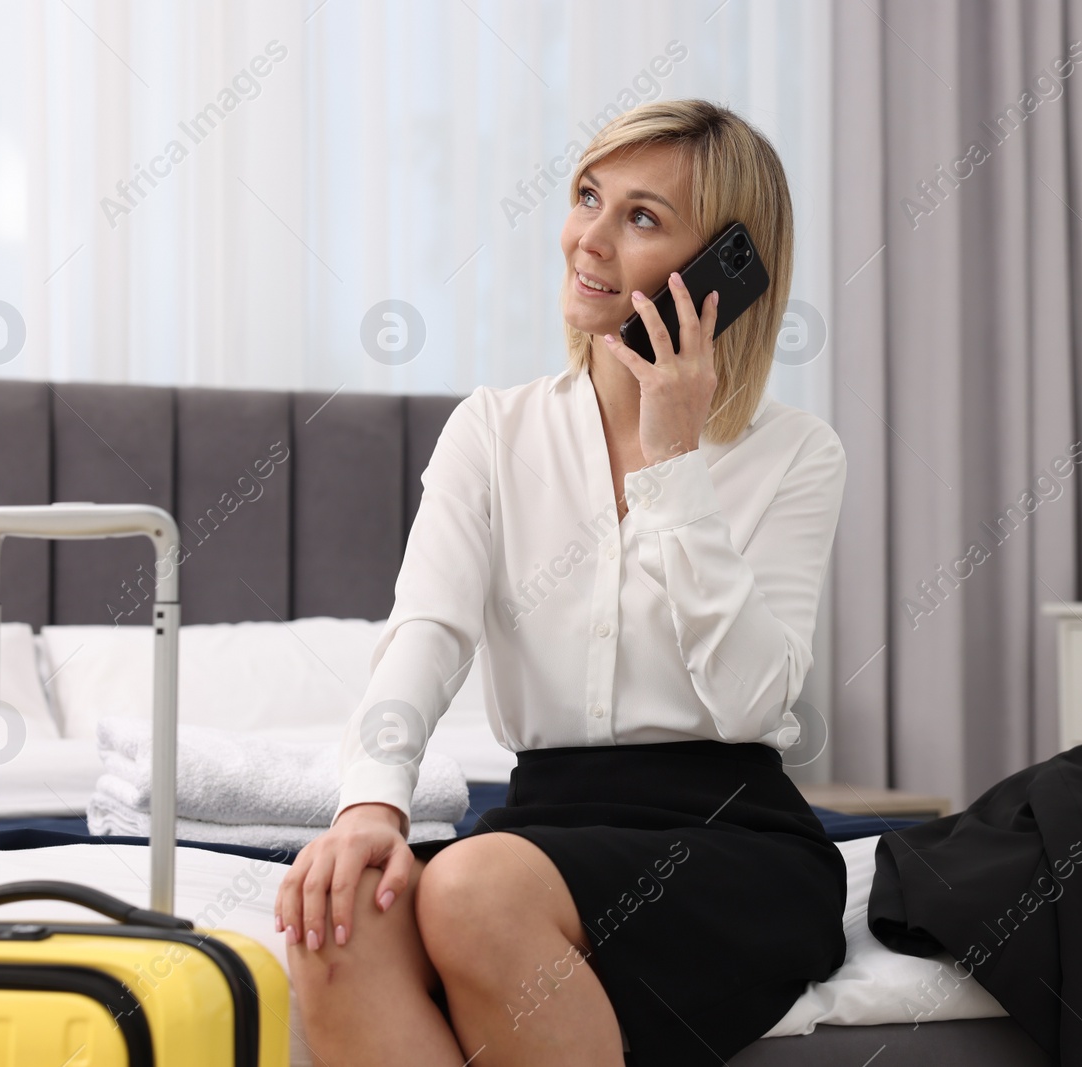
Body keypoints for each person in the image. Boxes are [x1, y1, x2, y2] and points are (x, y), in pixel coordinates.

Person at [275, 98, 848, 1067]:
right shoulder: (493, 431)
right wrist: (369, 803)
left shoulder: (797, 454)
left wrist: (675, 467)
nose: (587, 238)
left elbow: (756, 697)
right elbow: (425, 633)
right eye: (589, 196)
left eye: (641, 217)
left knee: (469, 886)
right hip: (543, 825)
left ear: (722, 273)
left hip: (728, 833)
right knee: (338, 925)